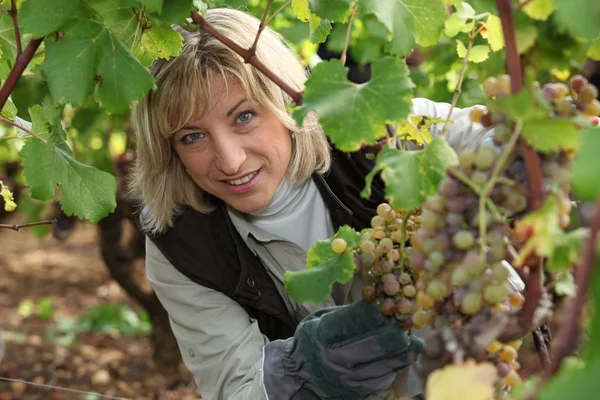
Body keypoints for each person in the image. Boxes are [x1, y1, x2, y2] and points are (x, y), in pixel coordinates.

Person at [130, 7, 502, 400]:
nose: (230, 160)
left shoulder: (371, 131)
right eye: (192, 137)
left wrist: (504, 178)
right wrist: (296, 372)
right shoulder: (181, 244)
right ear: (168, 150)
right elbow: (232, 388)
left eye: (244, 116)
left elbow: (494, 136)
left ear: (287, 102)